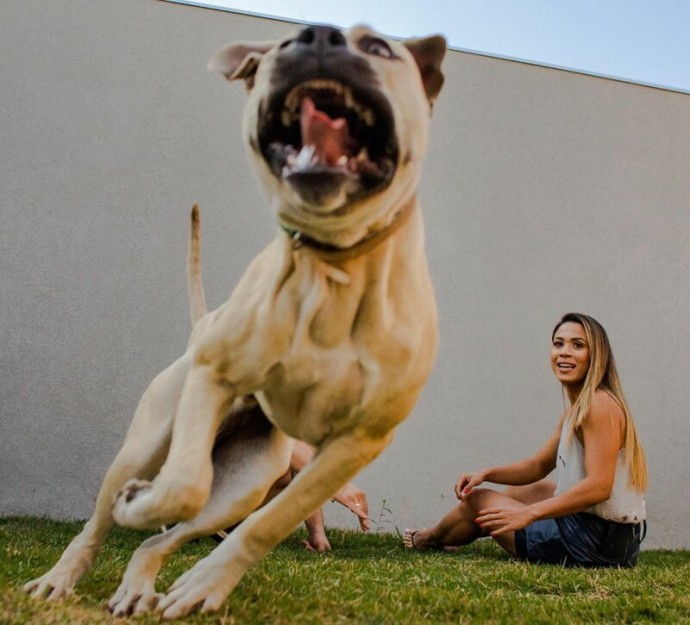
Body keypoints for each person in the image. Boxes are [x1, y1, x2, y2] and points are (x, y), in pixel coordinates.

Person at [403, 312, 647, 567]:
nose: (564, 352)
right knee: (530, 490)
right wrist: (486, 473)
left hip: (594, 545)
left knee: (478, 501)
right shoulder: (578, 409)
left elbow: (599, 486)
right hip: (608, 539)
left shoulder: (599, 406)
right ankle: (456, 535)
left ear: (596, 356)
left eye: (578, 345)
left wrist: (527, 514)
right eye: (558, 343)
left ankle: (427, 538)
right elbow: (538, 466)